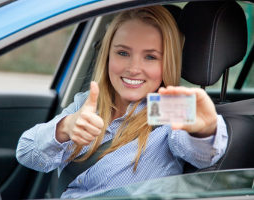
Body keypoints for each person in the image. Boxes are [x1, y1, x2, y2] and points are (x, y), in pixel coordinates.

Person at [16, 5, 228, 199]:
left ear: (168, 63)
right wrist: (64, 128)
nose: (134, 68)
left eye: (151, 57)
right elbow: (26, 153)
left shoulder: (167, 107)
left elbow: (203, 154)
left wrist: (206, 130)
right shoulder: (88, 104)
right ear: (107, 55)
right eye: (123, 53)